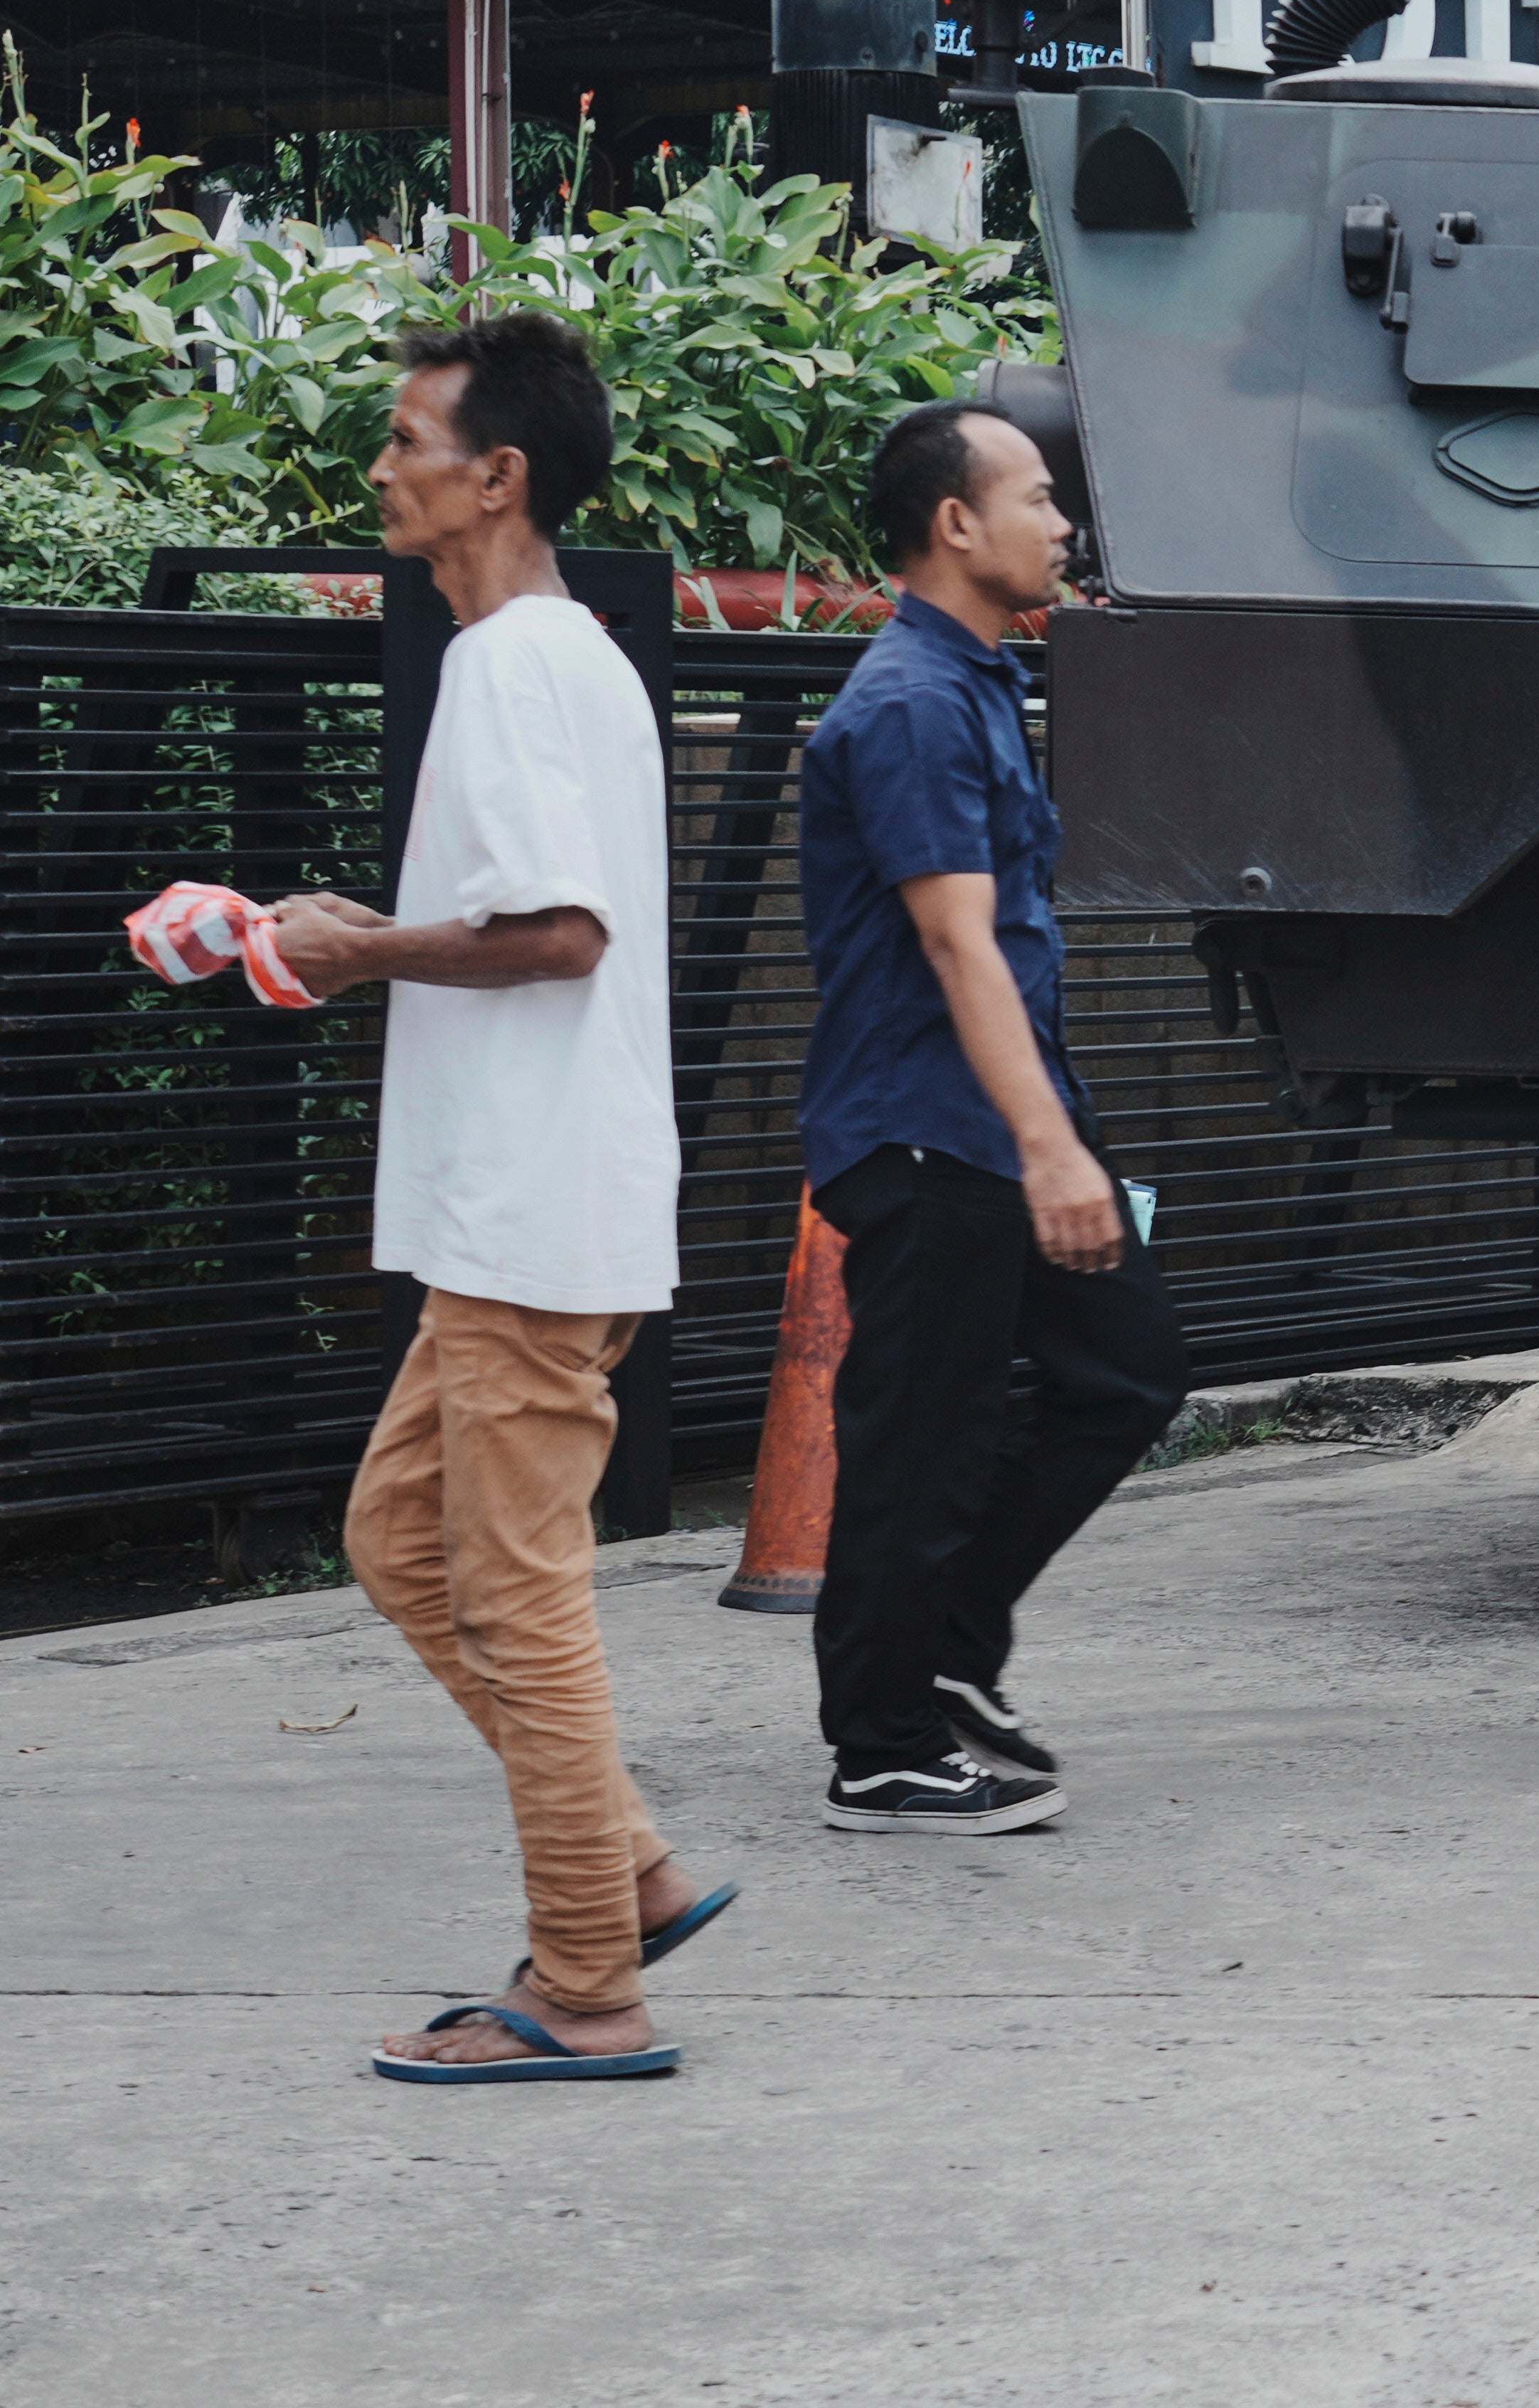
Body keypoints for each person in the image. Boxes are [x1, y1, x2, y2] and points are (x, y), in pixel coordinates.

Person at [276, 312, 729, 2085]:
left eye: (406, 439)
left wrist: (352, 948)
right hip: (509, 1215)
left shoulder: (517, 666)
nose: (383, 468)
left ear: (498, 474)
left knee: (520, 1601)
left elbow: (560, 934)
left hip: (532, 1215)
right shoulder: (549, 658)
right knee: (402, 1549)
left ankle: (588, 1989)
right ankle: (628, 1871)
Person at [795, 396, 1187, 1832]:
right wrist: (1049, 1150)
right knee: (922, 1444)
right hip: (931, 1132)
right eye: (1035, 495)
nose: (1062, 520)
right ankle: (884, 1745)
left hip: (989, 1125)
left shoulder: (968, 685)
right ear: (956, 524)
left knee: (1127, 1369)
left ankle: (942, 1655)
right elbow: (957, 945)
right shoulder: (906, 705)